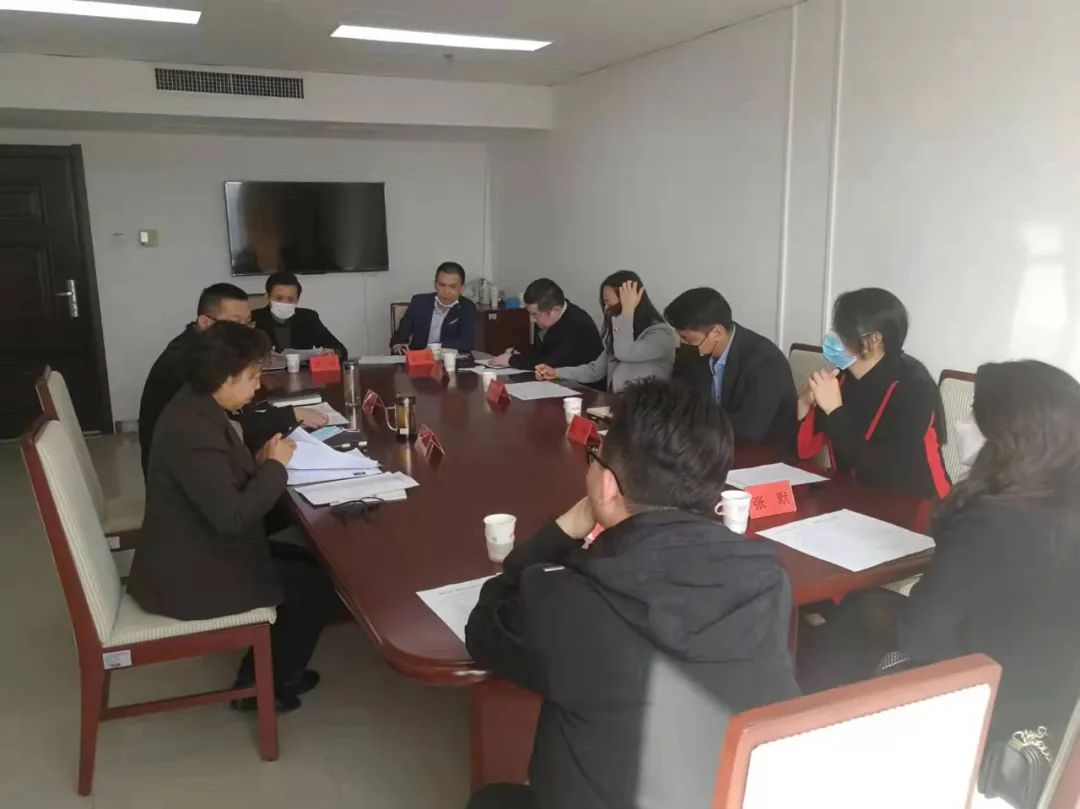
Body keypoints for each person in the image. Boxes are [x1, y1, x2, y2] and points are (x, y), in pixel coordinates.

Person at [464, 380, 800, 809]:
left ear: (608, 486)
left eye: (595, 458)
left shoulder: (570, 600)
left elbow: (483, 628)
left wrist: (564, 528)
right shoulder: (769, 579)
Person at [128, 322, 339, 712]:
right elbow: (234, 516)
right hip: (192, 572)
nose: (257, 386)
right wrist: (273, 467)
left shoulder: (197, 404)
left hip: (200, 543)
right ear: (223, 377)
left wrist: (257, 463)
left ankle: (271, 671)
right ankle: (261, 689)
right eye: (252, 377)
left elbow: (221, 480)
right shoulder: (192, 430)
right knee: (311, 585)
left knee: (313, 564)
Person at [896, 360, 1080, 740]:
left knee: (856, 622)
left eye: (972, 413)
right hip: (1054, 714)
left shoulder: (989, 522)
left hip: (981, 715)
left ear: (1007, 437)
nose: (961, 423)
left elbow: (919, 638)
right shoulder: (1060, 507)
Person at [138, 283, 327, 475]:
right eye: (235, 324)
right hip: (186, 469)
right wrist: (288, 417)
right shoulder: (189, 361)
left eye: (248, 324)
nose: (245, 333)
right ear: (204, 322)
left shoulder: (207, 349)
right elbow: (234, 424)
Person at [796, 287, 950, 499]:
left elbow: (884, 470)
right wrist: (803, 404)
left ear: (875, 339)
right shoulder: (842, 377)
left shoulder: (914, 386)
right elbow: (804, 451)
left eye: (844, 331)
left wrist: (835, 411)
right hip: (854, 498)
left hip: (918, 504)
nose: (835, 338)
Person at [664, 287, 797, 448]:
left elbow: (749, 429)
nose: (682, 343)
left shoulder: (765, 361)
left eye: (686, 338)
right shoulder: (696, 351)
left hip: (764, 452)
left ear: (716, 333)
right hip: (712, 446)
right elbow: (679, 400)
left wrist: (694, 426)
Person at [534, 271, 676, 393]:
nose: (606, 308)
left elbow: (625, 352)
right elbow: (595, 370)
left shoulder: (661, 334)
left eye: (609, 302)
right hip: (616, 403)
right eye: (604, 302)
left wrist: (627, 311)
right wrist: (557, 372)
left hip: (647, 409)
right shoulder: (619, 331)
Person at [488, 278, 602, 370]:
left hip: (583, 387)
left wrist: (511, 360)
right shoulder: (549, 317)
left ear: (555, 311)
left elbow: (551, 362)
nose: (532, 319)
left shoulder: (577, 325)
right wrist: (521, 355)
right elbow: (542, 352)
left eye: (535, 315)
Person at [251, 271, 347, 358]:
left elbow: (341, 350)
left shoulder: (308, 317)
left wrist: (332, 352)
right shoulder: (254, 318)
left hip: (302, 371)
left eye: (290, 299)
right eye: (279, 298)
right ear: (267, 296)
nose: (285, 303)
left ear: (297, 299)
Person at [390, 262, 477, 353]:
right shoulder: (419, 302)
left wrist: (434, 348)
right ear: (435, 285)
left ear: (462, 288)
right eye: (442, 285)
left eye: (452, 287)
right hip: (418, 356)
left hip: (448, 358)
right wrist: (398, 345)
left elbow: (467, 343)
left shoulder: (467, 307)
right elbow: (399, 336)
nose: (446, 291)